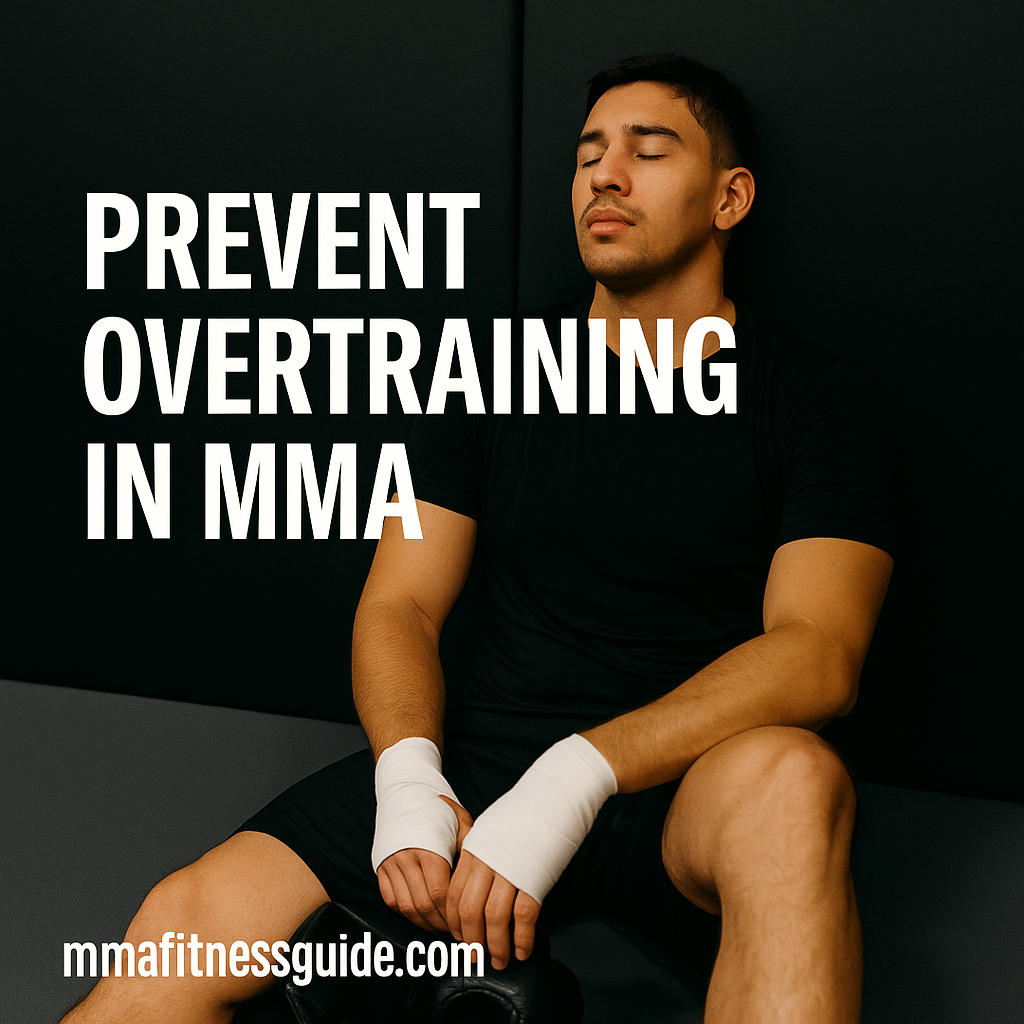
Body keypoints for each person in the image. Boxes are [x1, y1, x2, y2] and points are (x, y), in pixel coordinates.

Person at [62, 53, 896, 1024]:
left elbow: (819, 653)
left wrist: (574, 779)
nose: (605, 175)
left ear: (728, 197)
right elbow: (400, 602)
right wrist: (408, 774)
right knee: (184, 917)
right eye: (587, 154)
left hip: (682, 783)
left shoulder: (820, 401)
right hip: (480, 764)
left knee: (797, 781)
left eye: (648, 150)